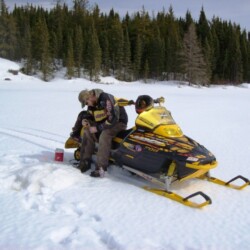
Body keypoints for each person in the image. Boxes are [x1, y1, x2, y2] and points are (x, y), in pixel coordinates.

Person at [78, 89, 128, 177]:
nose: (87, 105)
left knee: (105, 135)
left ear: (90, 97)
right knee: (87, 130)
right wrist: (85, 121)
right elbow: (90, 116)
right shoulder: (92, 104)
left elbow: (113, 119)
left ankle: (101, 168)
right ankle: (85, 161)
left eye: (86, 103)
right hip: (103, 123)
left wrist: (97, 128)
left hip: (118, 122)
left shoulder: (106, 99)